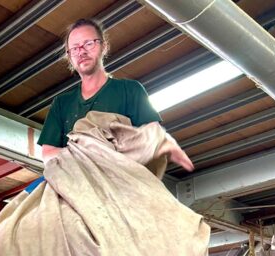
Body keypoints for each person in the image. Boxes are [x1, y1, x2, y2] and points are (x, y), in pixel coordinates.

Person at [29, 18, 193, 190]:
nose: (81, 51)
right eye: (75, 48)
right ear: (69, 56)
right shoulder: (61, 103)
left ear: (104, 46)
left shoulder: (130, 90)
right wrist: (91, 153)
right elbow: (48, 154)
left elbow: (152, 135)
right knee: (29, 202)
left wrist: (162, 142)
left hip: (123, 184)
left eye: (88, 44)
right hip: (78, 185)